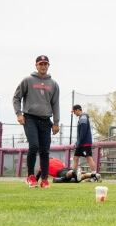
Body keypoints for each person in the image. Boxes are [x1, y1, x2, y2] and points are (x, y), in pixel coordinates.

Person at [13, 55, 60, 189]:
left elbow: (55, 104)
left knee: (45, 151)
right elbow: (16, 98)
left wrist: (56, 122)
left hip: (46, 120)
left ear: (48, 66)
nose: (43, 66)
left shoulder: (54, 84)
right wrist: (19, 114)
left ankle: (44, 179)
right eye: (41, 64)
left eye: (45, 64)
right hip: (30, 118)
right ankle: (30, 176)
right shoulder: (28, 80)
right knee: (34, 146)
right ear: (36, 65)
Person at [35, 157, 101, 184]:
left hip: (60, 172)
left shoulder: (44, 164)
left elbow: (38, 174)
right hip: (66, 168)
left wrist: (35, 181)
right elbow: (63, 165)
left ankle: (74, 172)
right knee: (79, 177)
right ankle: (95, 175)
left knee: (67, 175)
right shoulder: (56, 159)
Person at [71, 104, 97, 173]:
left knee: (88, 158)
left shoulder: (83, 118)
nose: (74, 113)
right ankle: (74, 174)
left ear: (78, 110)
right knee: (75, 158)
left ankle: (94, 175)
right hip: (81, 143)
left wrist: (79, 142)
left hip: (85, 143)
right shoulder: (81, 118)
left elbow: (83, 132)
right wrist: (78, 142)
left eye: (74, 111)